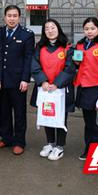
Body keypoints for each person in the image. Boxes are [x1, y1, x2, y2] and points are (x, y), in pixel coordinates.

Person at [30, 19, 76, 161]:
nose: (50, 30)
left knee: (61, 116)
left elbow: (70, 68)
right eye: (47, 28)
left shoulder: (67, 47)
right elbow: (34, 64)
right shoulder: (40, 47)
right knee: (47, 114)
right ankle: (50, 143)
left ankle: (60, 146)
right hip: (44, 89)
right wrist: (42, 80)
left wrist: (57, 83)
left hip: (61, 89)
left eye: (53, 27)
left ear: (58, 29)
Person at [0, 5, 34, 155]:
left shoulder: (26, 34)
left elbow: (28, 58)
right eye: (9, 15)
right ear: (4, 17)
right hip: (2, 80)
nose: (11, 18)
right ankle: (6, 138)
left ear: (19, 17)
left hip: (18, 81)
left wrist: (25, 79)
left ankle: (19, 141)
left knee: (19, 112)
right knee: (4, 111)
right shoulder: (0, 32)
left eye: (14, 16)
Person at [73, 17, 98, 160]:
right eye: (86, 29)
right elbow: (78, 65)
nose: (89, 32)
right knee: (88, 122)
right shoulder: (80, 44)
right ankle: (88, 148)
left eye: (92, 28)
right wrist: (76, 63)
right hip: (84, 88)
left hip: (97, 89)